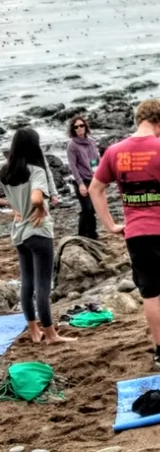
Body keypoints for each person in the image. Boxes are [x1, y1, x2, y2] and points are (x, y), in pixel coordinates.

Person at [89, 99, 160, 369]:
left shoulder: (115, 152)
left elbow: (95, 188)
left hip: (136, 234)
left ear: (138, 119)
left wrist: (110, 224)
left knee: (149, 292)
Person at [0, 129, 75, 345]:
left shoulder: (6, 171)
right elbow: (35, 198)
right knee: (43, 285)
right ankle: (51, 335)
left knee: (27, 284)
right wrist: (41, 207)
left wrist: (13, 205)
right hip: (38, 231)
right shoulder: (36, 171)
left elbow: (3, 198)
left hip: (19, 233)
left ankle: (34, 332)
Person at [67, 115, 100, 240]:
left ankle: (92, 234)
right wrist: (80, 184)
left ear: (85, 127)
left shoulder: (91, 141)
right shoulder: (72, 145)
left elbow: (96, 160)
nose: (79, 129)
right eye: (76, 127)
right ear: (73, 129)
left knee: (93, 208)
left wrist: (101, 176)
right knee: (87, 208)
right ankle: (82, 235)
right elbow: (73, 166)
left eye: (81, 126)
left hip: (94, 179)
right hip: (81, 180)